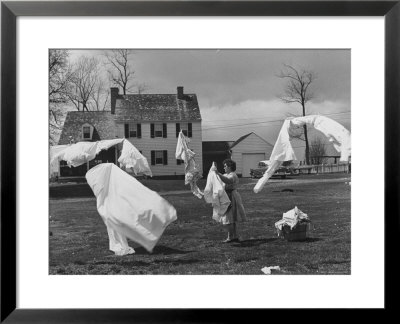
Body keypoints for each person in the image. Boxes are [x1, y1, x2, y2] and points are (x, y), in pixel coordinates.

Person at [212, 159, 247, 243]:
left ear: (230, 167)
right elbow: (220, 180)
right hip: (226, 196)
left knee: (229, 218)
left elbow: (228, 180)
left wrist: (217, 173)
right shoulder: (225, 174)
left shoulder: (233, 175)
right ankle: (234, 236)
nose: (224, 168)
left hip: (232, 197)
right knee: (230, 218)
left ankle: (231, 237)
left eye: (225, 166)